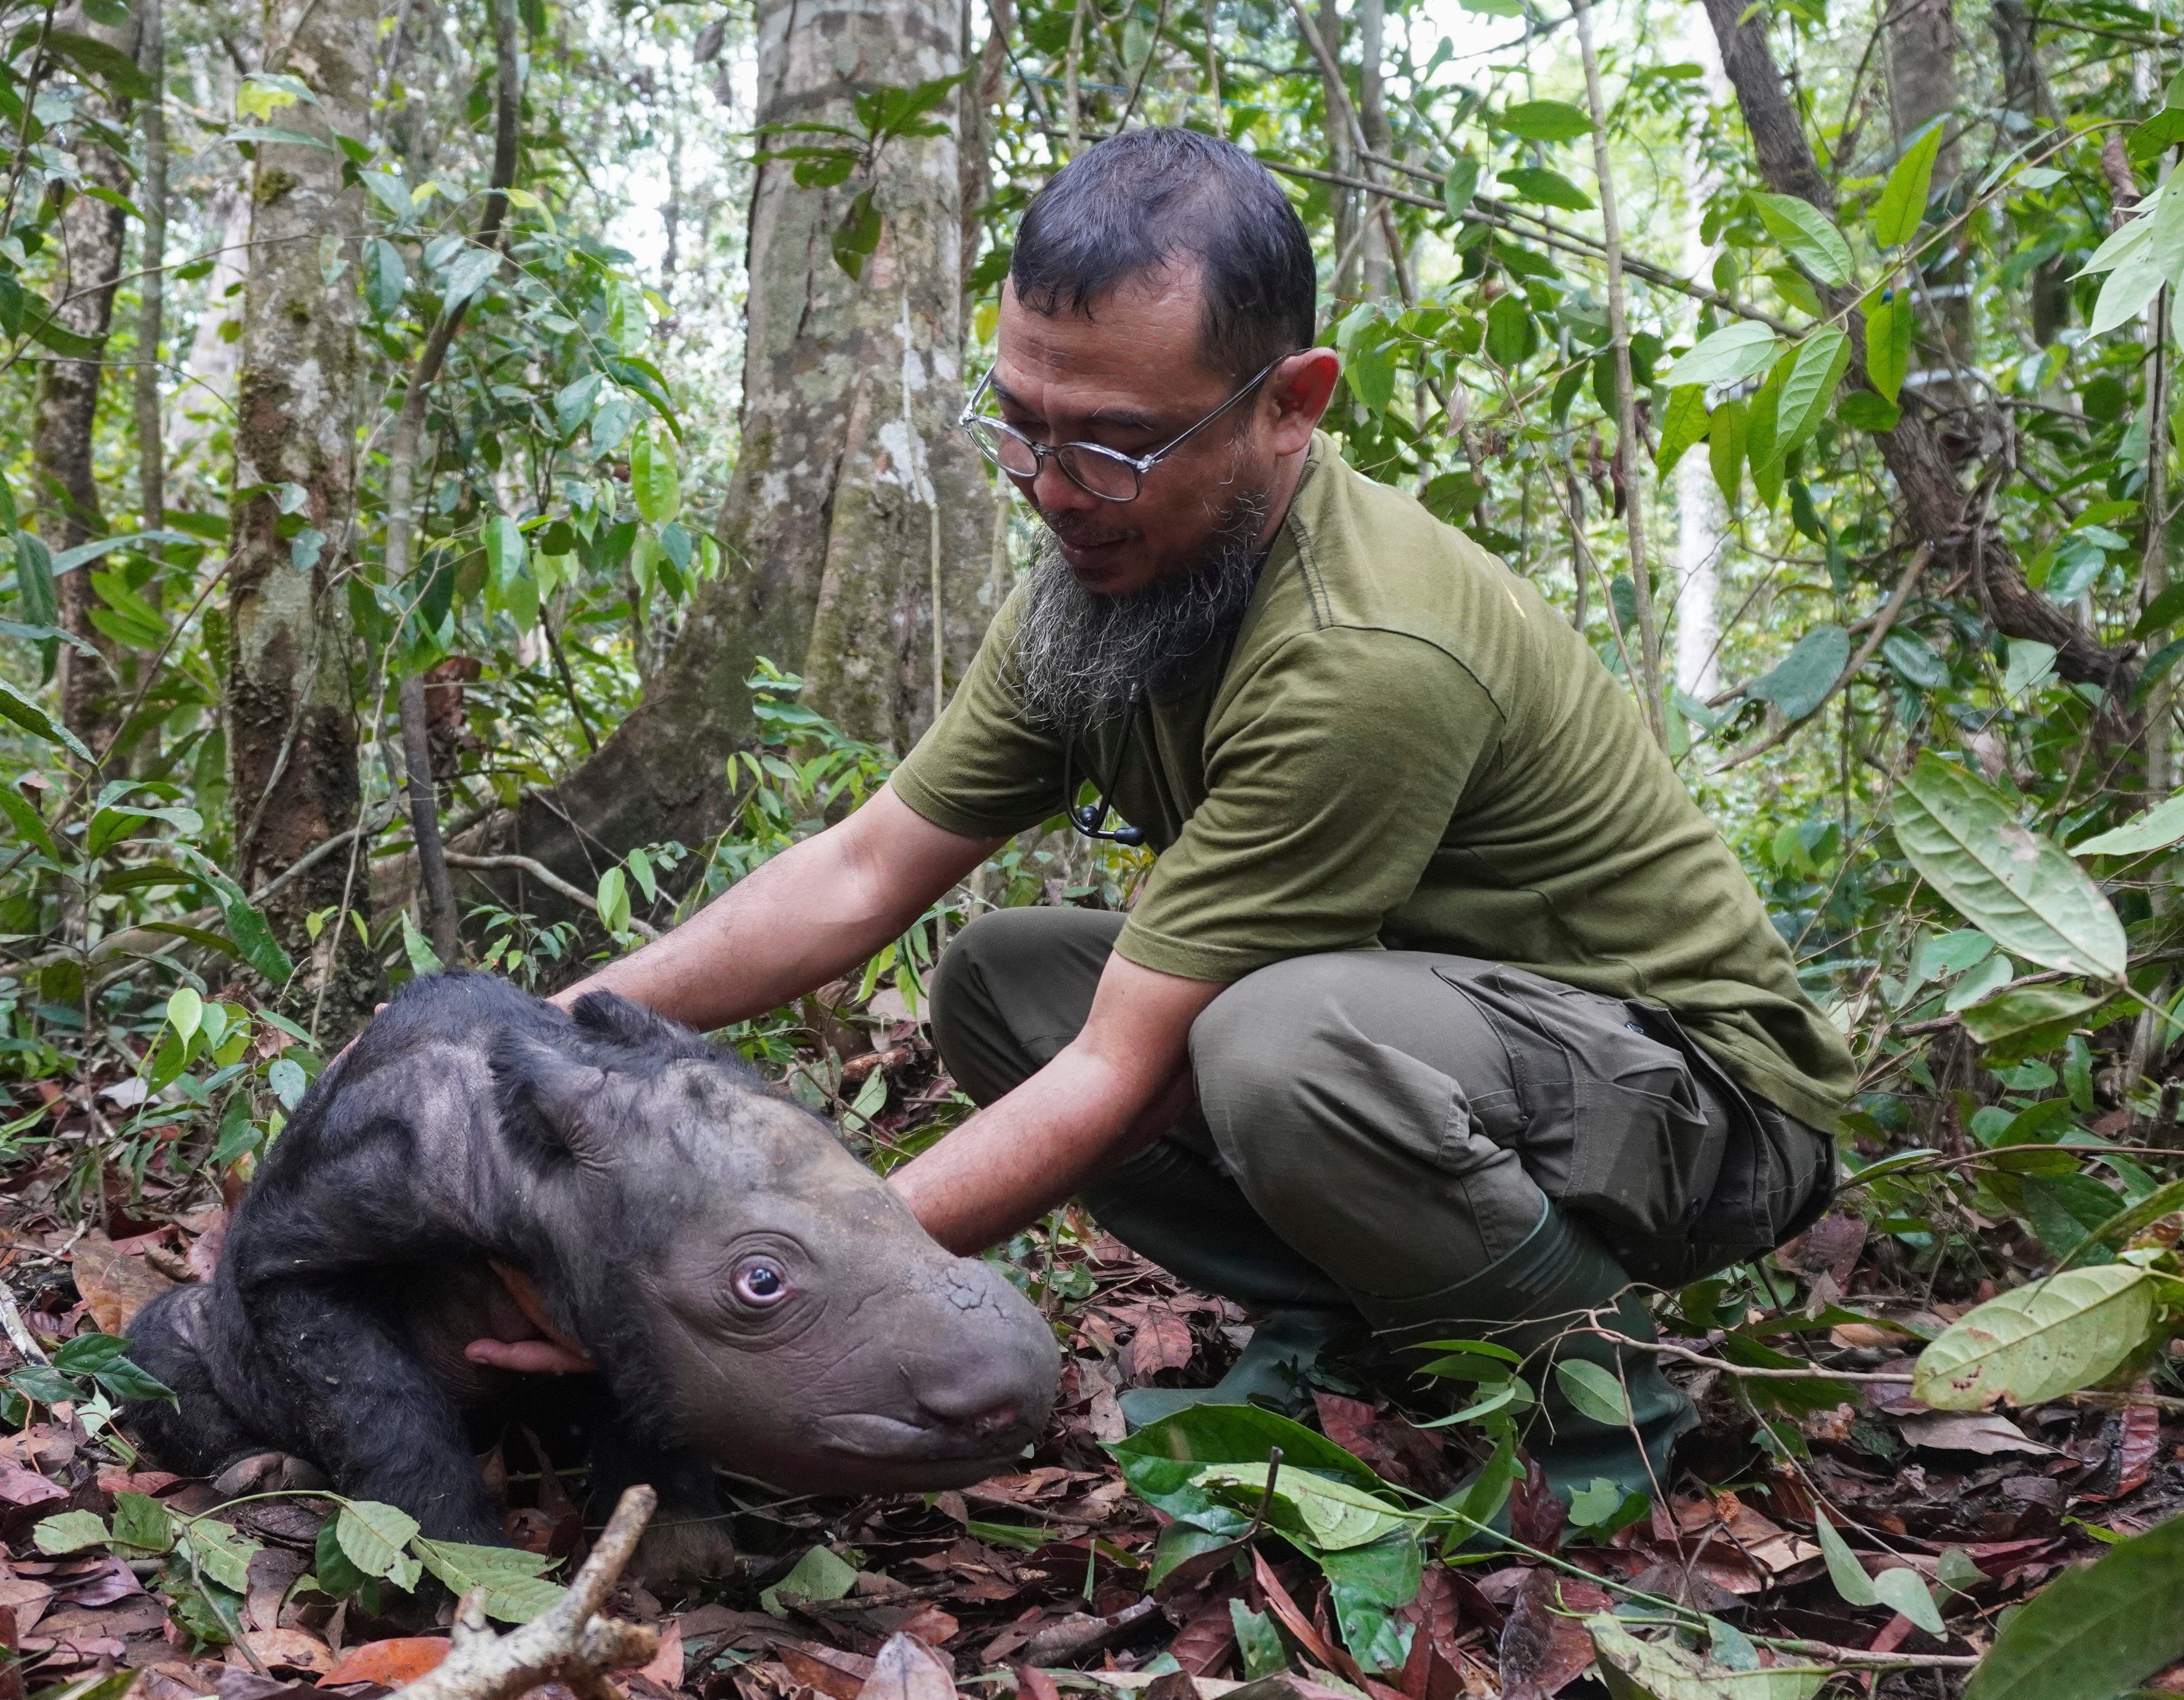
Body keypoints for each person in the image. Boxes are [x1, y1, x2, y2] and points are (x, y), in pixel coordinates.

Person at [523, 126, 1856, 1503]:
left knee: (1274, 1047)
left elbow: (1129, 1071)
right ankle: (1351, 1329)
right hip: (1447, 1045)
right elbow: (860, 873)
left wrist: (752, 1302)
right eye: (1022, 425)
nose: (1053, 490)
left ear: (1290, 405)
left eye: (1115, 445)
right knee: (1000, 982)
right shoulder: (1108, 577)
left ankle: (1601, 1397)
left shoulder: (1362, 656)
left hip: (1701, 1105)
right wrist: (527, 1040)